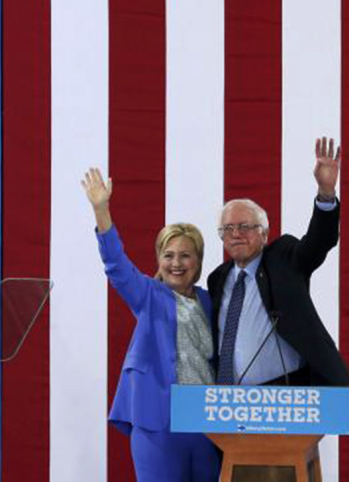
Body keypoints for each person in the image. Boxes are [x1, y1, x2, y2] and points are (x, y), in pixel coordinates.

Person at [81, 168, 220, 482]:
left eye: (185, 255)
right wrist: (101, 211)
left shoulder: (212, 301)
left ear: (198, 260)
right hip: (158, 421)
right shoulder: (148, 295)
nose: (176, 263)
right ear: (158, 259)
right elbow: (116, 266)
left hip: (208, 422)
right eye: (168, 255)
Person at [208, 137, 349, 391]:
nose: (236, 234)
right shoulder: (217, 278)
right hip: (229, 398)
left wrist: (326, 194)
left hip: (284, 393)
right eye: (228, 228)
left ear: (265, 233)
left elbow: (319, 242)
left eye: (245, 226)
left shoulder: (284, 258)